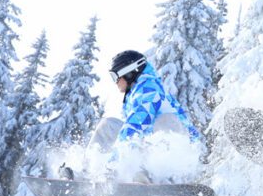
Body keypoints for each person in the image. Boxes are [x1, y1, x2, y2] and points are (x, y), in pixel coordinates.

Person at [59, 50, 201, 181]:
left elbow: (135, 126)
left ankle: (158, 176)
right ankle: (88, 174)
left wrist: (114, 164)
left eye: (115, 75)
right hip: (148, 150)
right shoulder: (134, 95)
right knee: (108, 125)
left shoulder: (149, 89)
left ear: (129, 72)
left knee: (165, 121)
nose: (115, 81)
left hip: (180, 156)